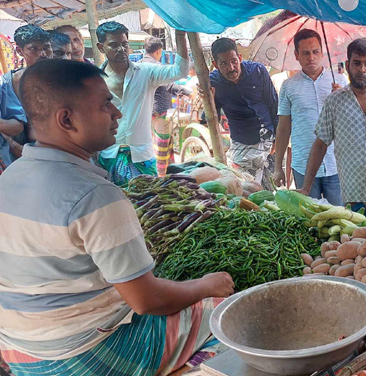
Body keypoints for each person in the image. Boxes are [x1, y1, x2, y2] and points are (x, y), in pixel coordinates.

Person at [0, 59, 234, 376]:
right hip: (78, 358)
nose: (118, 115)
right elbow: (147, 300)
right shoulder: (94, 195)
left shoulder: (9, 177)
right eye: (106, 105)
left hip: (18, 351)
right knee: (230, 318)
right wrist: (206, 286)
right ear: (66, 120)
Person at [299, 38, 366, 217]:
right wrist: (306, 187)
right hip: (352, 195)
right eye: (357, 63)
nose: (362, 69)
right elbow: (320, 145)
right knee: (355, 242)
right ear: (348, 64)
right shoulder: (334, 102)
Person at [96, 21, 189, 186]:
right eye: (114, 45)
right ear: (100, 47)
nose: (121, 49)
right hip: (108, 157)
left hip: (142, 158)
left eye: (124, 44)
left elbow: (180, 71)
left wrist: (180, 35)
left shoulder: (146, 72)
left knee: (148, 207)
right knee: (114, 207)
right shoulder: (94, 80)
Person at [273, 29, 343, 205]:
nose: (311, 57)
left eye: (315, 52)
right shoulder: (289, 87)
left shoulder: (340, 82)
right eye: (305, 53)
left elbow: (353, 122)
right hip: (303, 166)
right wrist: (278, 167)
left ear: (323, 52)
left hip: (336, 165)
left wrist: (343, 99)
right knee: (309, 220)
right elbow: (283, 128)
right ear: (296, 55)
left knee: (341, 219)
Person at [208, 38, 278, 187]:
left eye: (234, 61)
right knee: (246, 191)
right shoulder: (212, 82)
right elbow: (209, 116)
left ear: (240, 58)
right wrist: (208, 98)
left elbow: (273, 104)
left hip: (269, 141)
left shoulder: (258, 71)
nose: (231, 68)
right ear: (216, 65)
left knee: (271, 190)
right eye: (224, 64)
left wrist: (278, 139)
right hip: (242, 144)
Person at [139, 37, 192, 177]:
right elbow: (169, 84)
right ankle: (161, 177)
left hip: (145, 112)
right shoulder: (156, 67)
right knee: (161, 146)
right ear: (158, 51)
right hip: (159, 112)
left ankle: (167, 172)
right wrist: (187, 92)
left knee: (154, 144)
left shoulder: (137, 65)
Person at [0, 25, 52, 165]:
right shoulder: (6, 84)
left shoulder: (63, 81)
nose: (42, 54)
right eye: (34, 48)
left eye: (46, 47)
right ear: (19, 51)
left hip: (57, 155)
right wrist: (13, 145)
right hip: (16, 160)